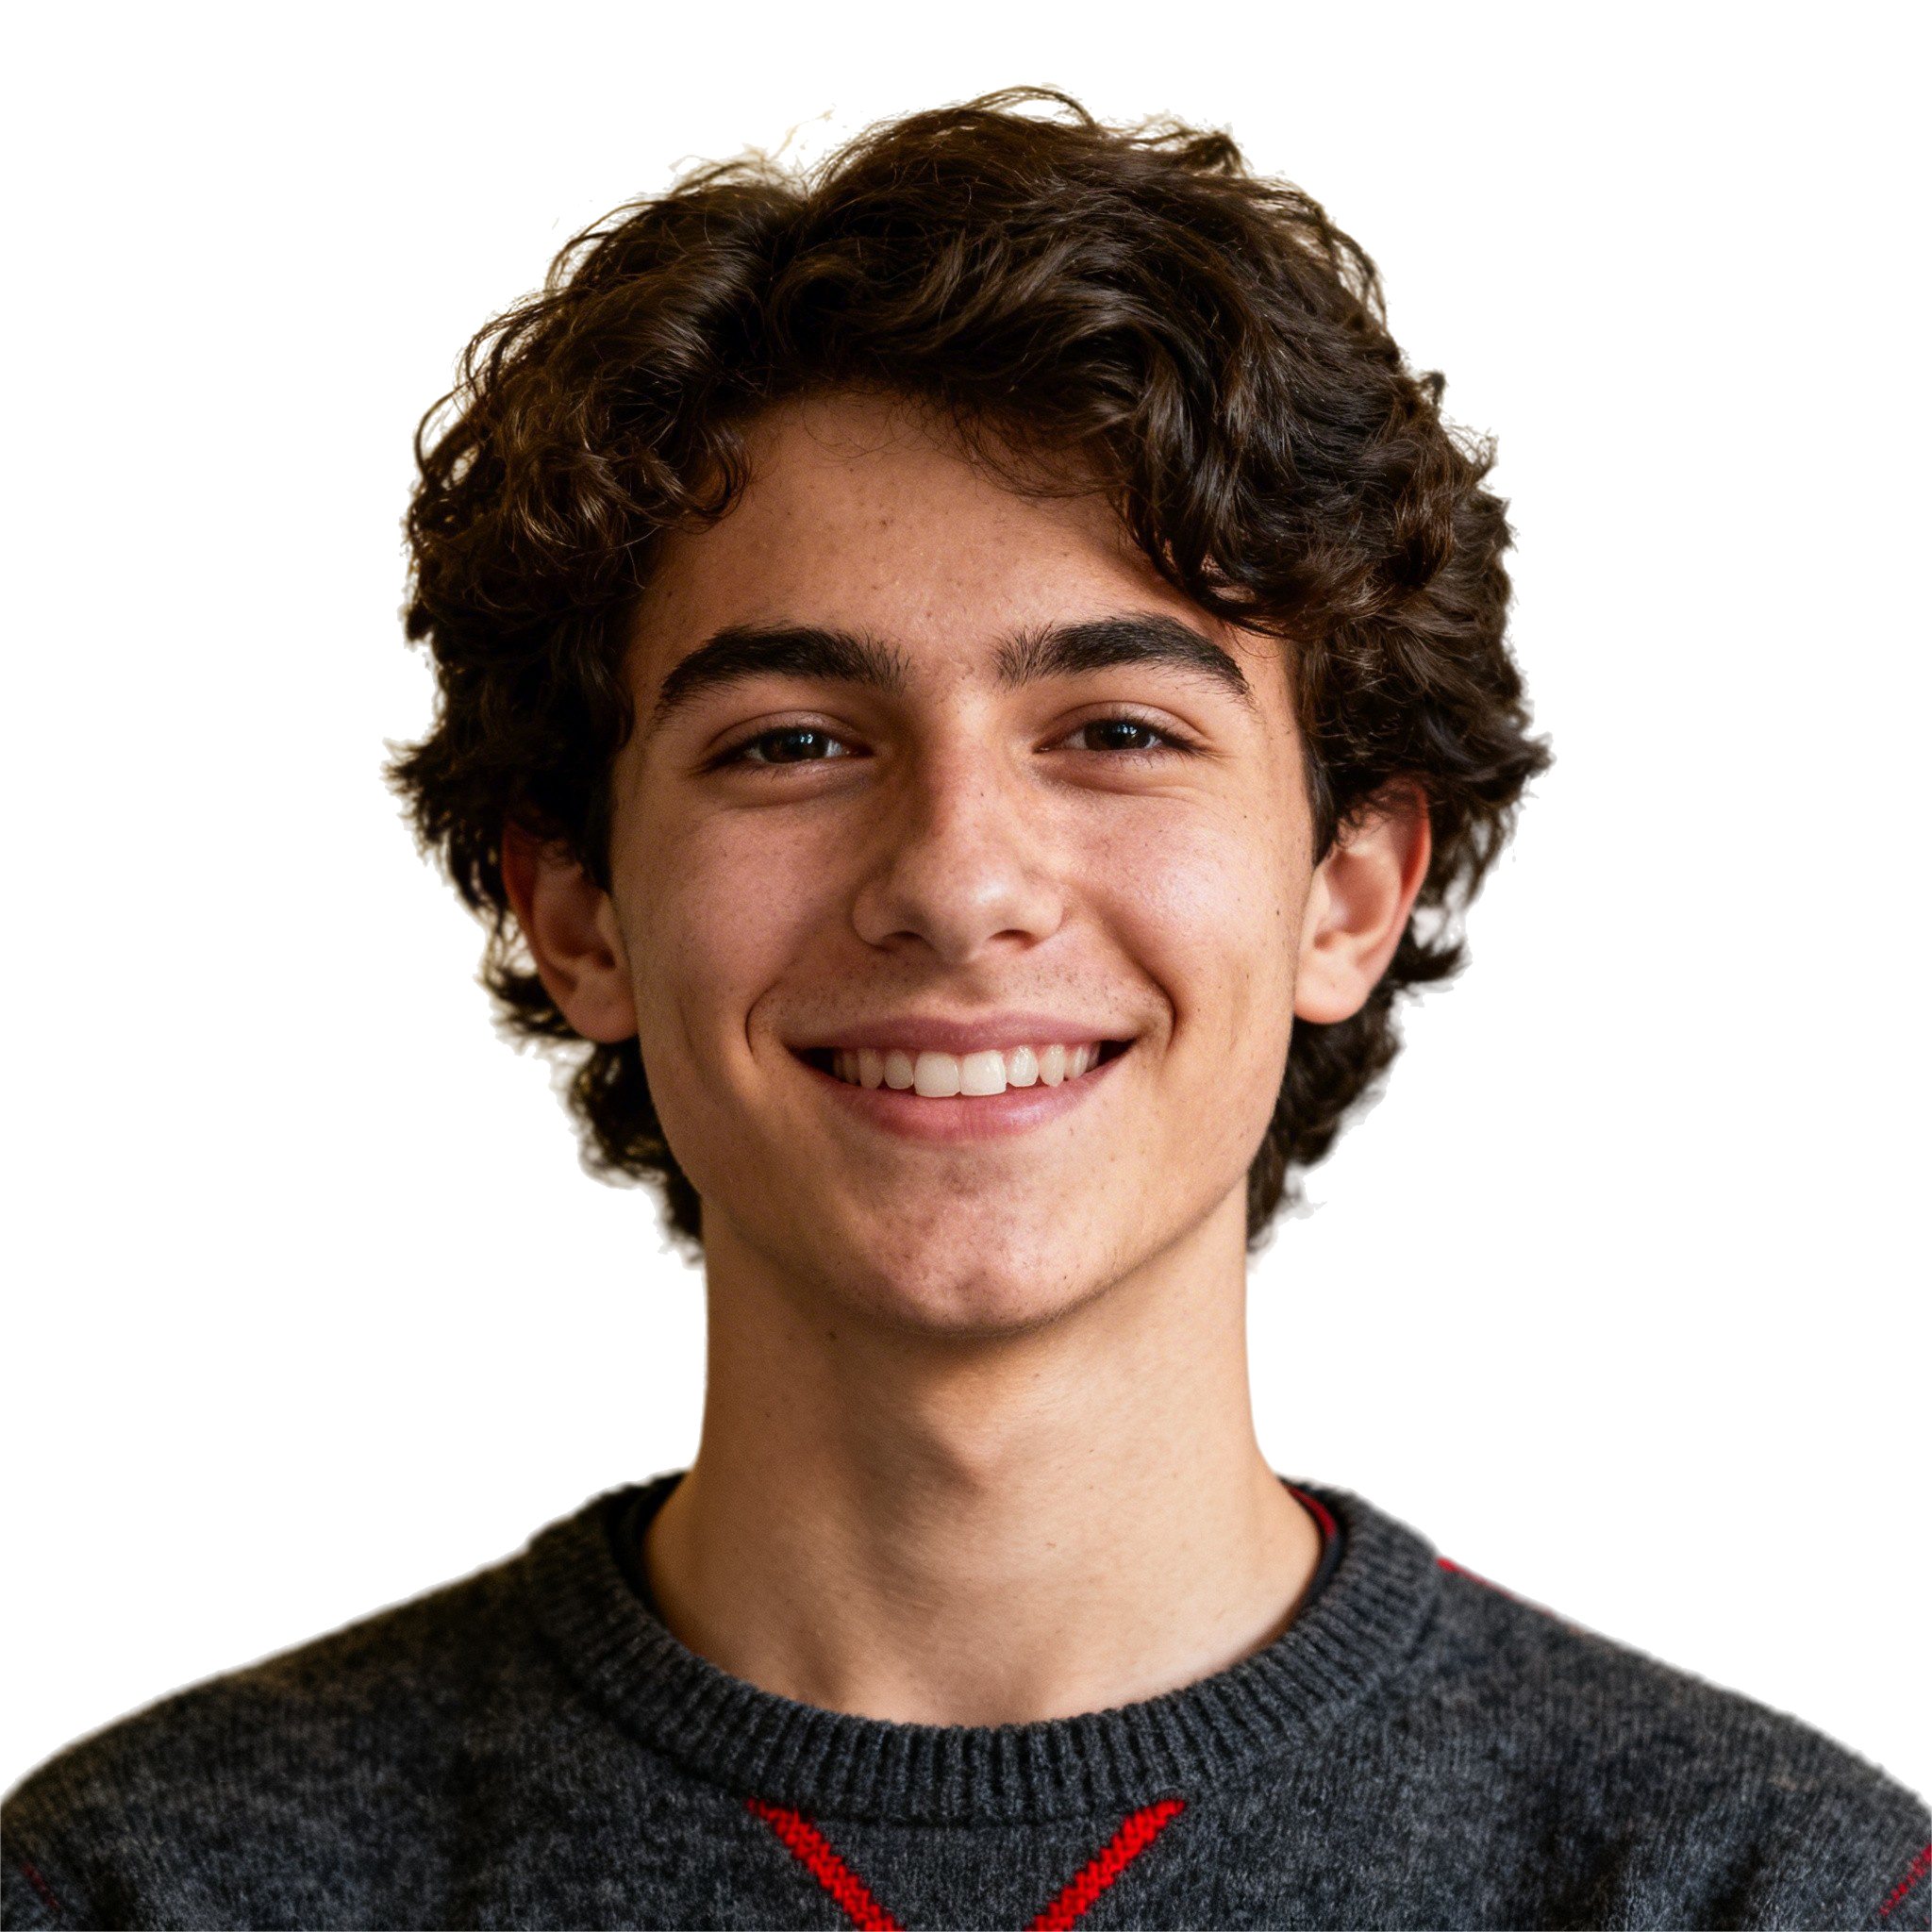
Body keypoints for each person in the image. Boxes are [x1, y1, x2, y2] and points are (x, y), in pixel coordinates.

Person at [5, 88, 1924, 1931]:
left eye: (1117, 730)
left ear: (1350, 888)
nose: (955, 878)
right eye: (792, 741)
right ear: (570, 911)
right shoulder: (144, 1884)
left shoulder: (1773, 1889)